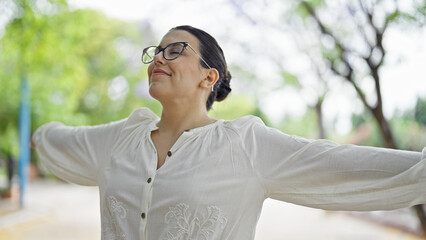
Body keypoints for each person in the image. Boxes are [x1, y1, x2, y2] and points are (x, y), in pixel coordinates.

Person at [32, 25, 426, 240]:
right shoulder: (120, 139)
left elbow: (338, 162)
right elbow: (49, 140)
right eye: (155, 51)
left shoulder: (245, 145)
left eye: (175, 50)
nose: (157, 59)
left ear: (209, 76)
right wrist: (39, 131)